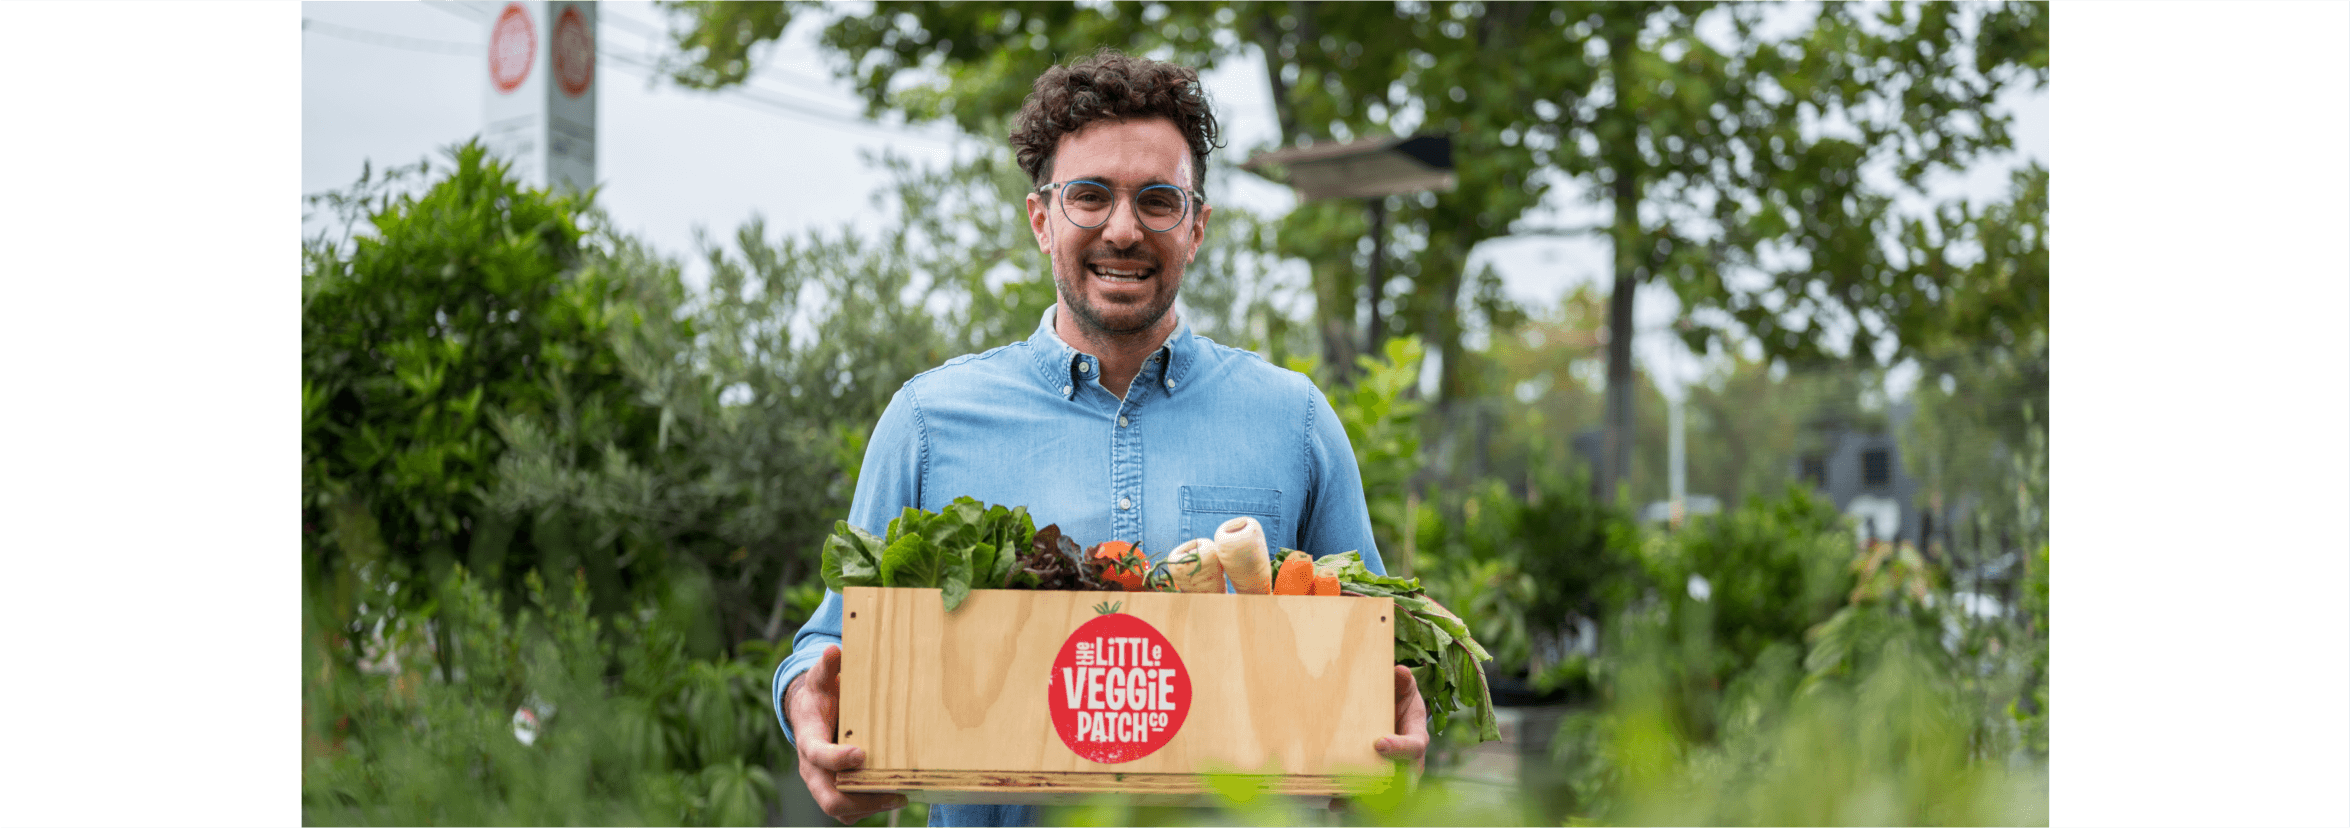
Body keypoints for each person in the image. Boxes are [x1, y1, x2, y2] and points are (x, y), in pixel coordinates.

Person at [770, 48, 1429, 828]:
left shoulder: (1295, 421)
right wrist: (808, 702)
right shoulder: (928, 421)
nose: (1123, 229)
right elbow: (830, 641)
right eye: (1090, 196)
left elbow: (1377, 650)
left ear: (1197, 226)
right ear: (1042, 218)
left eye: (1158, 200)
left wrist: (1399, 721)